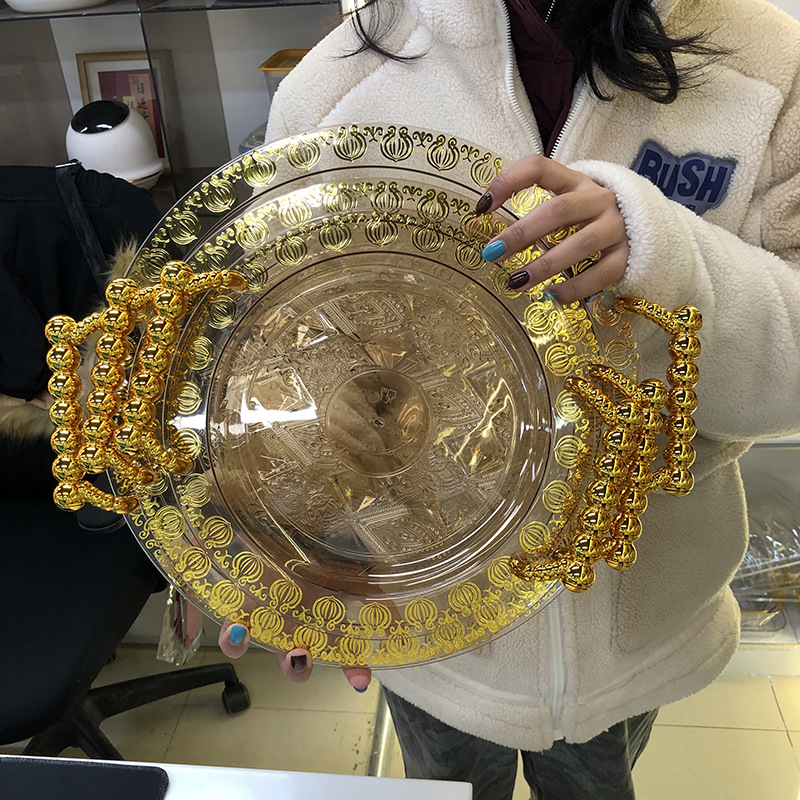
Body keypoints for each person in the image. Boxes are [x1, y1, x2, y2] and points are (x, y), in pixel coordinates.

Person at [219, 0, 800, 797]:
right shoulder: (335, 92)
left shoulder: (768, 66)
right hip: (433, 637)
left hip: (637, 628)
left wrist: (669, 263)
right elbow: (275, 370)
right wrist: (289, 552)